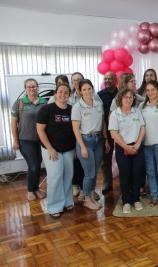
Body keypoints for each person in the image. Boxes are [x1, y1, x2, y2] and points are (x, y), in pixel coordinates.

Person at [36, 83, 75, 218]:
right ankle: (54, 206)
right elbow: (40, 130)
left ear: (69, 95)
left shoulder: (72, 109)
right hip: (51, 149)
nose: (63, 94)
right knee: (55, 176)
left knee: (68, 175)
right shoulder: (46, 109)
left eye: (66, 92)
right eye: (60, 92)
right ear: (55, 94)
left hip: (68, 149)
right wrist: (50, 148)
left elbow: (75, 130)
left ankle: (67, 201)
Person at [72, 79, 110, 210]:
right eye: (84, 90)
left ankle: (91, 196)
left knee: (95, 171)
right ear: (80, 92)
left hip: (98, 140)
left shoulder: (98, 104)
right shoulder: (77, 107)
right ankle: (87, 198)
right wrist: (82, 146)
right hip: (85, 141)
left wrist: (105, 139)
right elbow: (75, 129)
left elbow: (103, 123)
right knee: (89, 173)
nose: (87, 92)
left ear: (93, 89)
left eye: (89, 89)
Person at [109, 89, 145, 213]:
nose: (128, 99)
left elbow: (142, 128)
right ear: (120, 99)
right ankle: (126, 201)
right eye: (126, 97)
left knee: (137, 174)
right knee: (125, 175)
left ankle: (136, 199)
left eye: (131, 97)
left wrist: (138, 144)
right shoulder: (115, 114)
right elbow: (114, 133)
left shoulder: (137, 112)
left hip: (137, 147)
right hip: (122, 147)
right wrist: (126, 147)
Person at [11, 78, 47, 201]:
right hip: (25, 140)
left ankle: (36, 188)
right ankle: (31, 190)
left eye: (34, 86)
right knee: (33, 165)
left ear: (37, 87)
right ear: (25, 89)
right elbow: (13, 123)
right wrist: (15, 140)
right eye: (29, 87)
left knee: (37, 165)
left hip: (40, 140)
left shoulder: (44, 102)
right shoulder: (19, 103)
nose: (32, 89)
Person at [97, 71, 118, 195]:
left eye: (110, 78)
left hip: (121, 131)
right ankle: (107, 182)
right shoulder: (99, 95)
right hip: (106, 131)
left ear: (116, 80)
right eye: (106, 79)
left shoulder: (121, 94)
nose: (108, 81)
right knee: (106, 158)